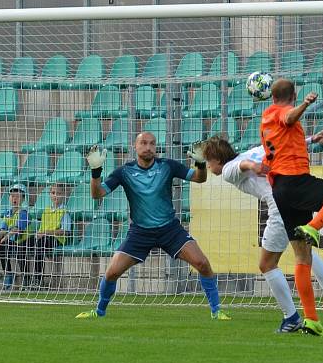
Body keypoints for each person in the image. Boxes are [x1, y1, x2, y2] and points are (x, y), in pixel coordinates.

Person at [76, 131, 230, 320]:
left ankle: (216, 311)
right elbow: (97, 194)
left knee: (202, 263)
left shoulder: (168, 166)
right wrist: (95, 171)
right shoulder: (124, 172)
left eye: (152, 143)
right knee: (111, 272)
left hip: (170, 229)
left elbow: (200, 178)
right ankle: (99, 312)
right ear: (135, 146)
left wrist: (199, 163)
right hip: (140, 232)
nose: (148, 147)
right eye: (144, 143)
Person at [203, 132, 323, 334]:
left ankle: (291, 317)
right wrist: (312, 140)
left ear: (217, 159)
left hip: (279, 208)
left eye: (209, 162)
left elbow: (241, 166)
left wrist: (253, 167)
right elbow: (281, 147)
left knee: (267, 264)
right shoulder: (254, 151)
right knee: (305, 254)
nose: (208, 166)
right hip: (295, 199)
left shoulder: (227, 169)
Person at [259, 78, 323, 336]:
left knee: (303, 256)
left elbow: (286, 136)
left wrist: (313, 138)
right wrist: (305, 104)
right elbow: (289, 118)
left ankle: (311, 320)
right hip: (296, 181)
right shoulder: (281, 112)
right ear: (293, 94)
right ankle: (314, 227)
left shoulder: (266, 116)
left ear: (271, 96)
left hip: (280, 188)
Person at [24, 183, 72, 290]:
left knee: (40, 245)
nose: (55, 196)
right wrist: (38, 234)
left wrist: (46, 233)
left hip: (56, 239)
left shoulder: (65, 211)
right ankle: (26, 278)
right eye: (53, 193)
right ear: (50, 195)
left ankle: (38, 280)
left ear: (63, 195)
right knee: (24, 244)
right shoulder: (46, 210)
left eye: (58, 193)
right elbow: (42, 229)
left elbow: (65, 231)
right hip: (44, 237)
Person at [0, 183, 30, 294]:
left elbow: (16, 229)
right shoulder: (8, 213)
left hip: (21, 242)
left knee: (4, 244)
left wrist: (3, 240)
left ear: (23, 199)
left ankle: (8, 273)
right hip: (10, 242)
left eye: (17, 196)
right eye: (12, 196)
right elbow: (3, 228)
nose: (14, 199)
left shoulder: (23, 213)